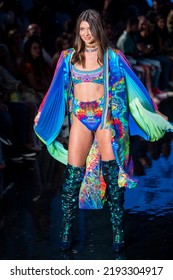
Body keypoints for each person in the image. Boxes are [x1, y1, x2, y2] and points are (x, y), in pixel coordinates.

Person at [34, 9, 173, 252]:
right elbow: (55, 88)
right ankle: (66, 229)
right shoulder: (69, 57)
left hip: (105, 119)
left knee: (112, 175)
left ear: (98, 28)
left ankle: (118, 230)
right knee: (73, 176)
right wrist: (42, 111)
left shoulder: (113, 57)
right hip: (79, 118)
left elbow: (134, 87)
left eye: (90, 28)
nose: (86, 34)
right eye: (82, 29)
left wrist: (155, 111)